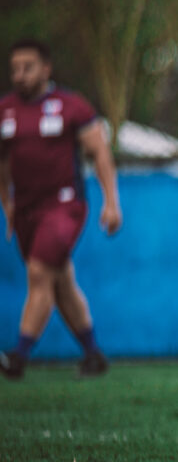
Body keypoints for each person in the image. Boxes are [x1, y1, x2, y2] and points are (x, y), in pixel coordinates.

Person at [0, 39, 122, 379]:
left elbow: (100, 152)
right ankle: (93, 354)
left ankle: (18, 356)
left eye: (28, 67)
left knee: (39, 273)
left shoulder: (71, 106)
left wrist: (111, 201)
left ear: (46, 68)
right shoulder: (5, 109)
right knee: (60, 282)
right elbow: (2, 161)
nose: (20, 75)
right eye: (14, 69)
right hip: (26, 209)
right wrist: (7, 204)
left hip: (65, 205)